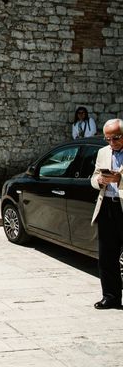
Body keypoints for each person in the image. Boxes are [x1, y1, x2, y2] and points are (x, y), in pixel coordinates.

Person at [90, 118, 123, 310]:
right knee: (107, 257)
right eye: (108, 139)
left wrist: (119, 179)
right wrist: (99, 180)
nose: (112, 142)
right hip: (107, 209)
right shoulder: (102, 152)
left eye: (116, 138)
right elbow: (93, 177)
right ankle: (110, 297)